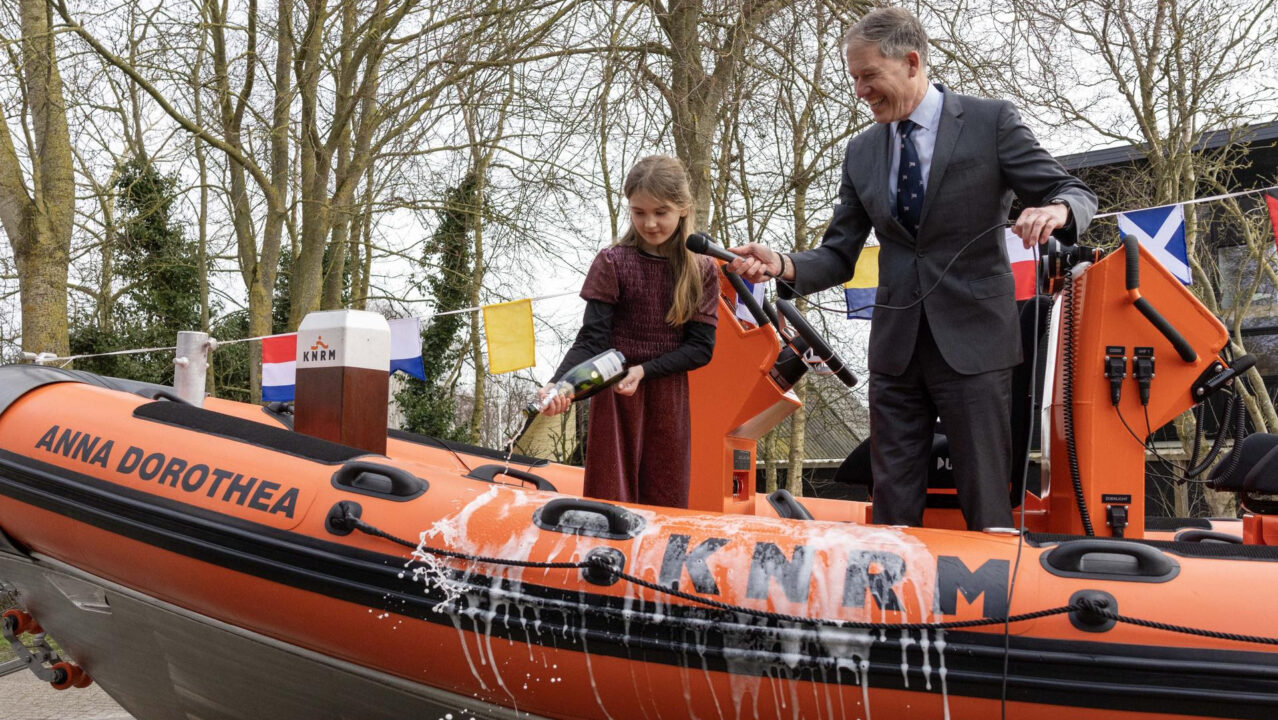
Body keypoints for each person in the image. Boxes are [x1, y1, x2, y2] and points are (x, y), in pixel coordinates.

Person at [727, 7, 1097, 530]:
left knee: (986, 497)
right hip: (896, 350)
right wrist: (784, 263)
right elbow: (839, 254)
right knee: (892, 501)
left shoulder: (991, 122)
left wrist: (1057, 211)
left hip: (976, 343)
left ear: (912, 62)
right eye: (854, 78)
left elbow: (1073, 190)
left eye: (869, 76)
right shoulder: (861, 152)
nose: (860, 90)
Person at [540, 155, 719, 509]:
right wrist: (557, 384)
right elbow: (591, 340)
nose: (649, 223)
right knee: (610, 500)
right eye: (639, 212)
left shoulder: (702, 269)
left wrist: (644, 370)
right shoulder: (612, 261)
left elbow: (701, 348)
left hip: (668, 400)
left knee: (665, 501)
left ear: (683, 208)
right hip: (616, 398)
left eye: (661, 212)